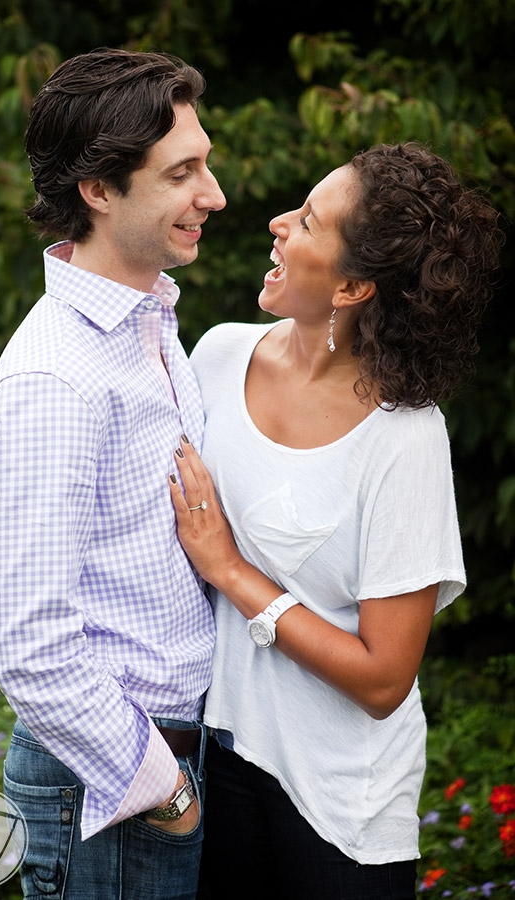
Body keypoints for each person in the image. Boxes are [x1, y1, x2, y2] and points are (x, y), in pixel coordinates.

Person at [167, 142, 501, 899]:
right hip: (215, 763)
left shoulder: (402, 436)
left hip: (338, 807)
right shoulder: (219, 356)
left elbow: (385, 678)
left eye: (308, 222)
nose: (279, 224)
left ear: (351, 285)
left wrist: (231, 572)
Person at [0, 47, 226, 900]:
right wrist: (166, 789)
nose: (213, 196)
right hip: (110, 787)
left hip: (151, 765)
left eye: (206, 165)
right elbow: (30, 645)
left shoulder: (149, 324)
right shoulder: (58, 380)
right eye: (182, 172)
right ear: (100, 190)